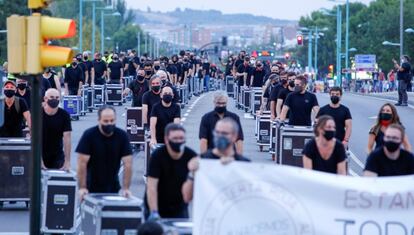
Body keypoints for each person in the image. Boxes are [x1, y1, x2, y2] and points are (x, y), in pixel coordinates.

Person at [182, 118, 250, 203]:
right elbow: (187, 197)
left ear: (234, 136)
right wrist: (192, 173)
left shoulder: (243, 163)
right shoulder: (203, 160)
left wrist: (234, 167)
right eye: (217, 132)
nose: (220, 136)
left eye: (224, 133)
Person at [76, 105, 132, 200]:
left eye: (112, 121)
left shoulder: (122, 136)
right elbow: (81, 163)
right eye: (106, 121)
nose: (109, 123)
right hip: (91, 186)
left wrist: (126, 188)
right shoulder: (89, 135)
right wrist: (82, 187)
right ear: (99, 120)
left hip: (113, 185)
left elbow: (128, 163)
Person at [146, 124, 197, 220]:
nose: (178, 141)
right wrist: (154, 212)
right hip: (157, 204)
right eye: (175, 138)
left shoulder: (191, 156)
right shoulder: (157, 156)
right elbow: (152, 187)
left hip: (179, 206)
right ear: (166, 139)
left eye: (181, 138)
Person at [42, 88, 72, 170]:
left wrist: (67, 162)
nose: (54, 99)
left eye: (57, 97)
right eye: (51, 97)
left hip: (57, 155)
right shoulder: (38, 114)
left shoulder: (64, 115)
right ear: (45, 99)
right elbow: (34, 138)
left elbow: (67, 138)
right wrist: (40, 161)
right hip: (40, 153)